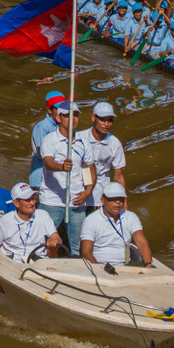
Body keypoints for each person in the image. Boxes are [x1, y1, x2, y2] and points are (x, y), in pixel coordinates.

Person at [39, 101, 94, 249]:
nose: (73, 119)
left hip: (76, 200)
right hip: (52, 200)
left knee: (78, 244)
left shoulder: (84, 142)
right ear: (58, 118)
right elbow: (48, 163)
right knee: (45, 241)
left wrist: (88, 191)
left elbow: (88, 168)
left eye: (75, 115)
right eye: (68, 116)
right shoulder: (50, 140)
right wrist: (61, 167)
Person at [80, 182, 154, 267]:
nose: (118, 202)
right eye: (113, 199)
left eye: (121, 199)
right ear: (103, 200)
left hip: (123, 267)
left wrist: (148, 264)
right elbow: (86, 252)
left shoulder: (131, 217)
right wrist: (100, 270)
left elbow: (142, 242)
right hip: (99, 265)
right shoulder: (90, 220)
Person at [0, 183, 61, 262]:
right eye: (27, 200)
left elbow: (56, 237)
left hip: (39, 262)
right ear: (16, 203)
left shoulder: (43, 215)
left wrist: (54, 241)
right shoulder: (4, 221)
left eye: (33, 198)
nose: (32, 203)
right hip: (12, 263)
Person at [77, 102, 126, 212]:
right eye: (103, 119)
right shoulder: (79, 137)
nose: (106, 124)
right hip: (78, 193)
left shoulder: (115, 143)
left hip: (101, 196)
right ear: (93, 118)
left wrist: (125, 206)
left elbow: (118, 176)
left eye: (110, 120)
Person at [29, 91, 65, 189]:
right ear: (50, 110)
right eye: (58, 109)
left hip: (56, 179)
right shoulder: (42, 127)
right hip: (39, 180)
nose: (62, 112)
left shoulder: (63, 127)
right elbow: (42, 154)